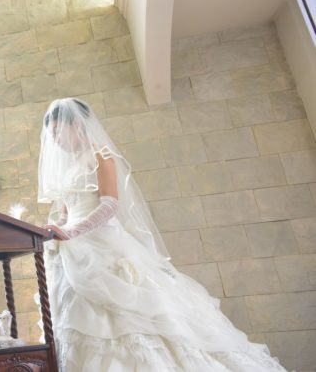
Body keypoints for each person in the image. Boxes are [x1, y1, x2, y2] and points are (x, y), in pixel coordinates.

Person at [38, 98, 285, 371]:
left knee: (131, 316)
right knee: (75, 316)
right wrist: (54, 229)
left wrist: (72, 231)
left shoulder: (101, 155)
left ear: (76, 124)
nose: (55, 140)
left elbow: (110, 204)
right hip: (73, 253)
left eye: (57, 132)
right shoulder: (68, 167)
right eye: (51, 134)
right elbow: (64, 211)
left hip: (102, 246)